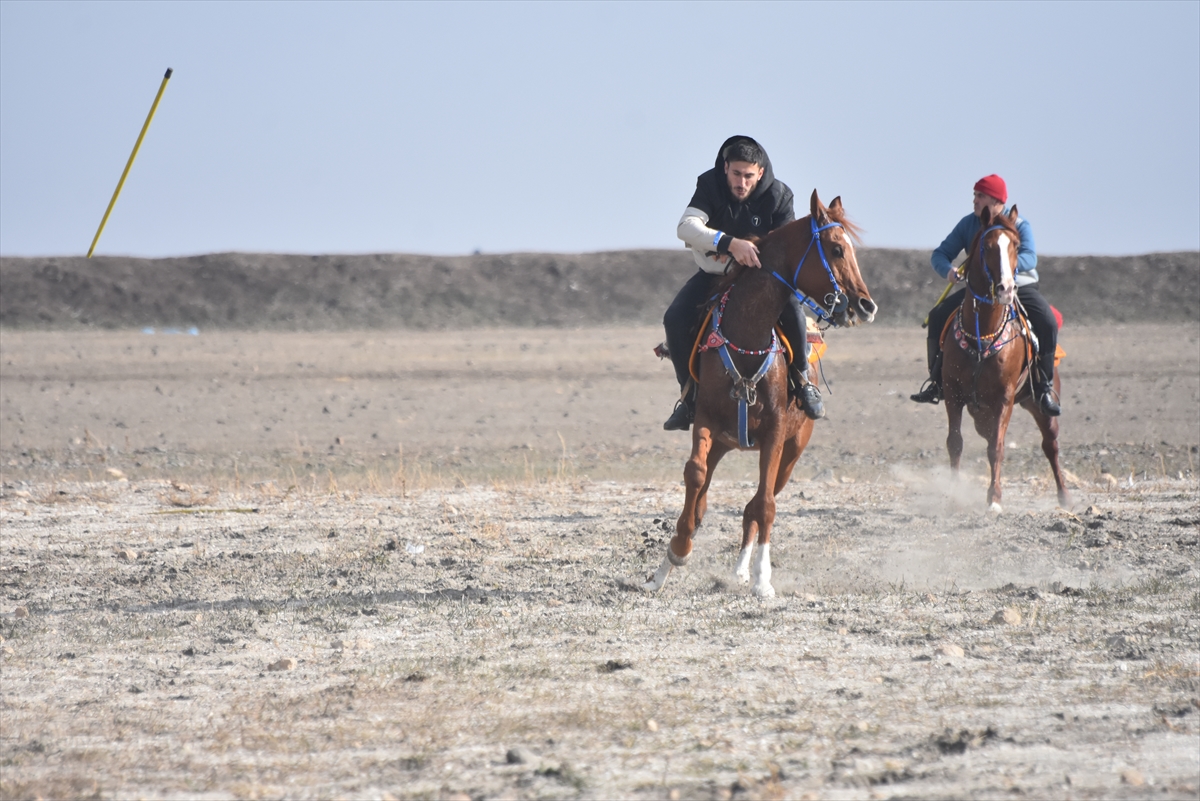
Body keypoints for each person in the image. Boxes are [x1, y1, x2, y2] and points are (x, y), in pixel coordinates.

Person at [662, 135, 823, 431]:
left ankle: (802, 382)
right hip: (714, 275)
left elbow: (787, 248)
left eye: (749, 175)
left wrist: (753, 257)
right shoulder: (710, 185)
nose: (741, 182)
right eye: (736, 174)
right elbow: (685, 227)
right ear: (725, 168)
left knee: (793, 311)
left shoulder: (779, 195)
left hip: (763, 280)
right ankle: (689, 398)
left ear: (760, 173)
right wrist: (729, 243)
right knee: (674, 318)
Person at [911, 174, 1062, 416]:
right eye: (975, 195)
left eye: (980, 196)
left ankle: (1043, 388)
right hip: (979, 292)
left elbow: (1030, 258)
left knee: (1047, 322)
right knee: (938, 316)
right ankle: (936, 383)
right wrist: (948, 271)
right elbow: (939, 254)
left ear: (997, 200)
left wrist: (1004, 267)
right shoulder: (968, 224)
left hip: (1018, 288)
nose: (975, 200)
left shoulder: (1021, 225)